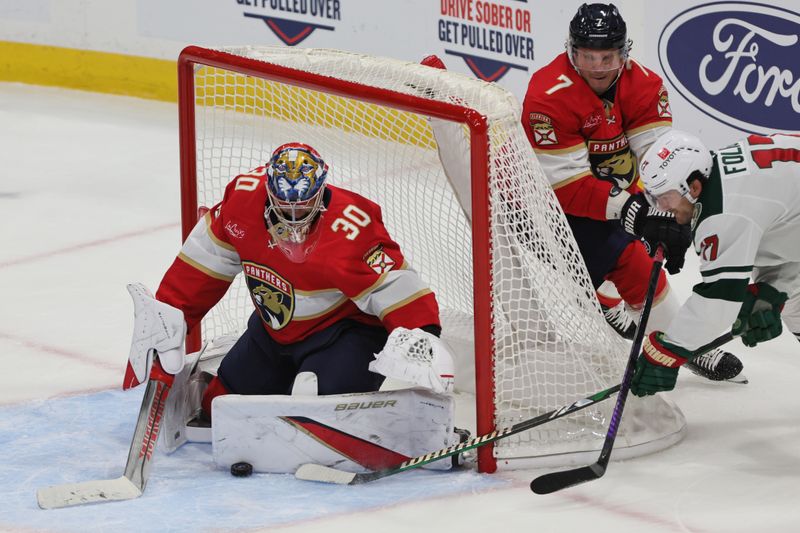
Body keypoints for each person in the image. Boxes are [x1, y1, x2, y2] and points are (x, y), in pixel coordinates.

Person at [124, 142, 455, 421]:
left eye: (303, 207)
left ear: (320, 191)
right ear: (269, 189)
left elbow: (396, 288)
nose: (294, 218)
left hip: (345, 333)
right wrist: (168, 316)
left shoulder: (351, 227)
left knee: (313, 411)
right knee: (219, 407)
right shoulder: (242, 203)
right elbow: (200, 266)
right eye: (285, 206)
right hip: (273, 334)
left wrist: (422, 338)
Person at [520, 2, 744, 381]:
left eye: (607, 56)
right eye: (588, 56)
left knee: (645, 245)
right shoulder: (547, 96)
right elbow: (568, 187)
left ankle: (608, 298)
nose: (597, 67)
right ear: (571, 51)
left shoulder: (645, 85)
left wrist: (668, 210)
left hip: (615, 190)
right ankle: (681, 346)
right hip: (548, 203)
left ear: (624, 53)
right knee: (633, 265)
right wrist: (636, 214)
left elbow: (658, 161)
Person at [631, 131, 800, 396]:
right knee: (796, 306)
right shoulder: (725, 176)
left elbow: (721, 299)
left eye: (665, 197)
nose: (662, 207)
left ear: (694, 187)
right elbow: (786, 223)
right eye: (654, 198)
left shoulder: (722, 211)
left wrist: (669, 351)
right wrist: (773, 288)